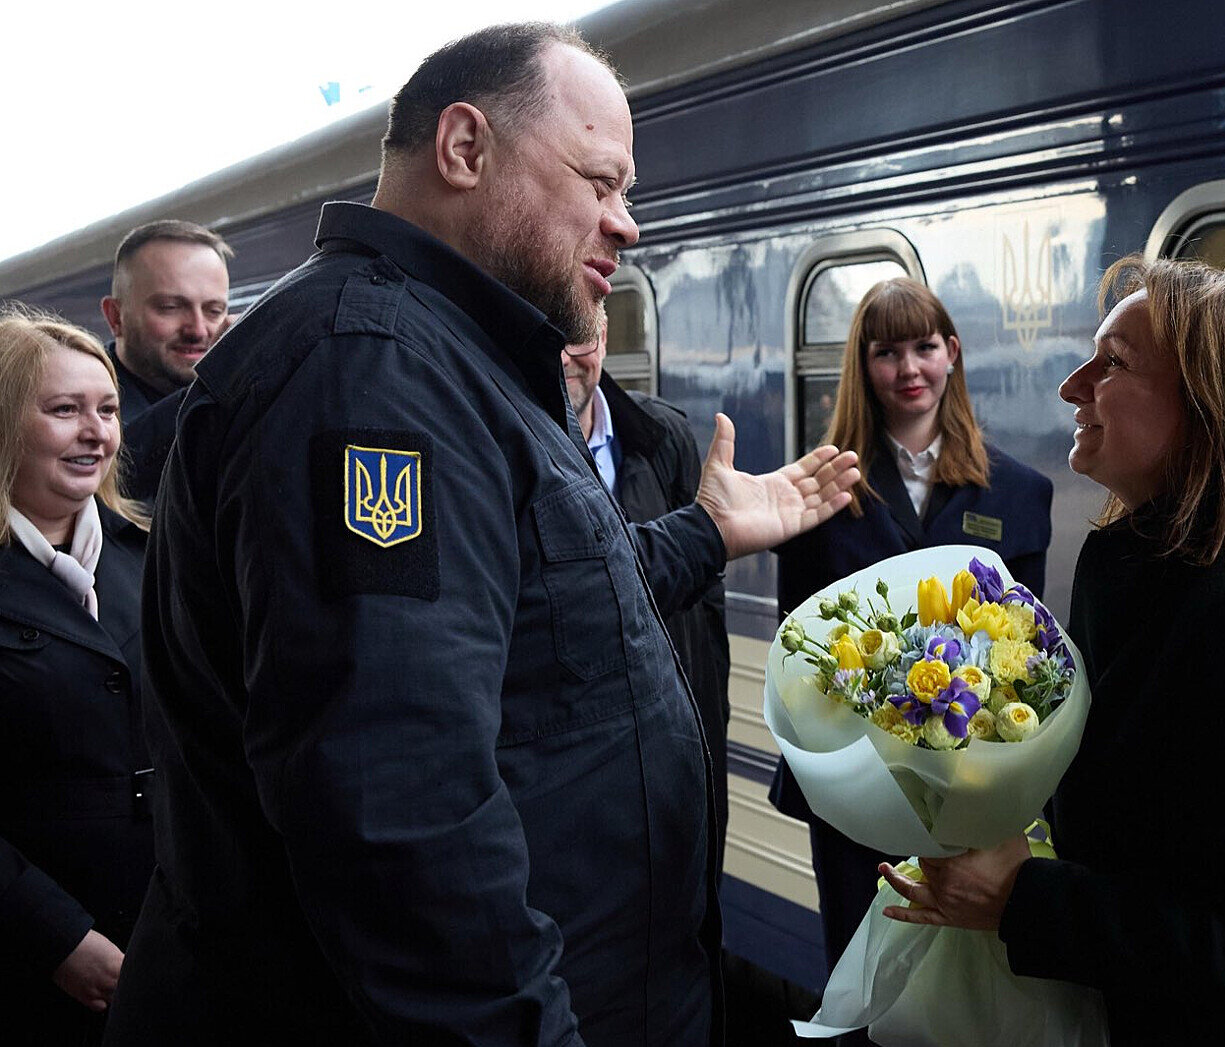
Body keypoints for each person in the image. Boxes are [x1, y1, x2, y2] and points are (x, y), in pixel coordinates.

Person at [102, 23, 859, 1047]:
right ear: (465, 149)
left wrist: (702, 535)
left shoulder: (451, 363)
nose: (626, 224)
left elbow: (530, 609)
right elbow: (399, 817)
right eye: (601, 181)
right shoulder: (370, 377)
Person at [878, 256, 1225, 1047]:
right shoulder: (1149, 557)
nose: (1071, 385)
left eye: (1112, 363)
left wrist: (1021, 899)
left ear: (1208, 406)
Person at [768, 276, 1053, 984]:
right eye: (887, 351)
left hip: (970, 786)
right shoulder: (819, 493)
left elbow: (1027, 654)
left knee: (963, 983)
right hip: (850, 793)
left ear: (951, 352)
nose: (909, 369)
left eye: (924, 346)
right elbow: (795, 646)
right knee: (864, 975)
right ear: (863, 367)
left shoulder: (1019, 493)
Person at [0, 305, 153, 1045]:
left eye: (108, 409)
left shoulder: (149, 557)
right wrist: (54, 934)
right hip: (31, 964)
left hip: (170, 942)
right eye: (65, 410)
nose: (97, 433)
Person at [562, 310, 730, 805]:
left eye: (576, 337)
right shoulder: (508, 452)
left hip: (675, 754)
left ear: (604, 338)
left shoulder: (663, 436)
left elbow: (704, 613)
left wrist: (708, 732)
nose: (564, 358)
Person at [96, 221, 234, 501]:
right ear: (116, 317)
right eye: (170, 308)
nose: (198, 330)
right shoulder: (75, 394)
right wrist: (218, 381)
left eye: (214, 310)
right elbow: (114, 471)